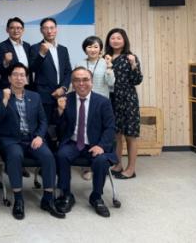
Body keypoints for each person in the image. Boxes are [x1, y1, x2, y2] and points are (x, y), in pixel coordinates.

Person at [0, 63, 64, 220]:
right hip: (11, 140)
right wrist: (5, 99)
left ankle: (48, 198)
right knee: (15, 156)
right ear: (9, 78)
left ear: (27, 79)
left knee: (48, 156)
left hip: (32, 138)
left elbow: (43, 121)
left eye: (22, 75)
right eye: (15, 75)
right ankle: (18, 200)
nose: (19, 78)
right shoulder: (0, 95)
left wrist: (39, 136)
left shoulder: (35, 96)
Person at [54, 67, 117, 218]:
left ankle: (96, 197)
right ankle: (66, 194)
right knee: (61, 155)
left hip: (96, 144)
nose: (81, 83)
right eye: (77, 80)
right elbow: (59, 130)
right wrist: (60, 112)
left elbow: (110, 128)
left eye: (85, 80)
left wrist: (101, 146)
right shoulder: (66, 100)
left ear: (92, 82)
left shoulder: (103, 102)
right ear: (72, 83)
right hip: (73, 143)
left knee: (101, 160)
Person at [104, 28, 143, 180]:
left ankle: (131, 169)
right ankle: (118, 164)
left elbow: (137, 80)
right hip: (111, 100)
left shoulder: (130, 57)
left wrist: (133, 64)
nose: (115, 40)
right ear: (108, 41)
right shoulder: (105, 58)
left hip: (128, 100)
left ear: (124, 40)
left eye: (118, 38)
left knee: (130, 135)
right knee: (116, 135)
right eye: (112, 38)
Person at [76, 36, 115, 181]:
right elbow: (75, 83)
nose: (92, 49)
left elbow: (111, 83)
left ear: (100, 49)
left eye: (96, 47)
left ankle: (97, 164)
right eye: (89, 46)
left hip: (101, 103)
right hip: (83, 102)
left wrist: (109, 67)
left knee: (98, 132)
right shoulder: (80, 63)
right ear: (85, 49)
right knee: (85, 131)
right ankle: (86, 167)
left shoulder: (105, 63)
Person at [29, 17, 72, 121]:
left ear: (56, 29)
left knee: (62, 124)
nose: (49, 31)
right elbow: (32, 69)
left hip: (61, 94)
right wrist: (41, 54)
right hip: (43, 95)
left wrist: (63, 88)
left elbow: (68, 71)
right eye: (46, 28)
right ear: (41, 30)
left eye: (52, 28)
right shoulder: (35, 48)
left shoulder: (63, 49)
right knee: (45, 124)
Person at [0, 17, 31, 90]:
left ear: (23, 30)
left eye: (18, 28)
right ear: (7, 30)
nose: (16, 31)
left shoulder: (27, 46)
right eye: (12, 28)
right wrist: (5, 62)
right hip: (10, 87)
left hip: (27, 86)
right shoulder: (0, 47)